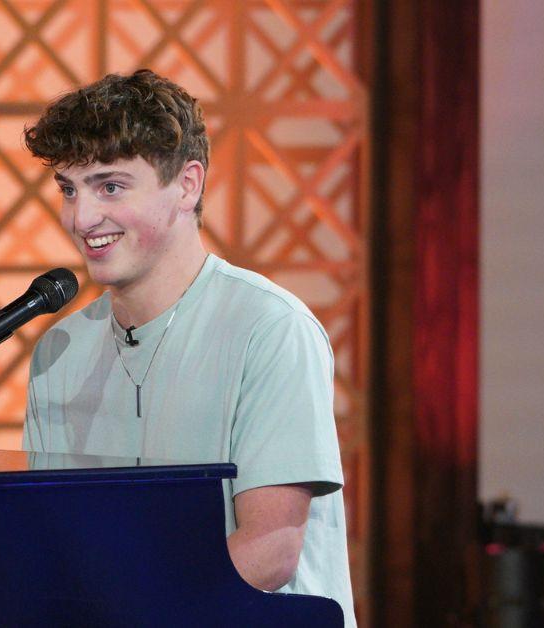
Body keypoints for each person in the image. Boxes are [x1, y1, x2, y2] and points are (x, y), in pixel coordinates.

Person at [21, 69, 356, 625]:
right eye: (69, 190)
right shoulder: (59, 350)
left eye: (110, 186)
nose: (82, 219)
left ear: (188, 184)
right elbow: (52, 543)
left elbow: (271, 550)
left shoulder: (269, 328)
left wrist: (124, 609)